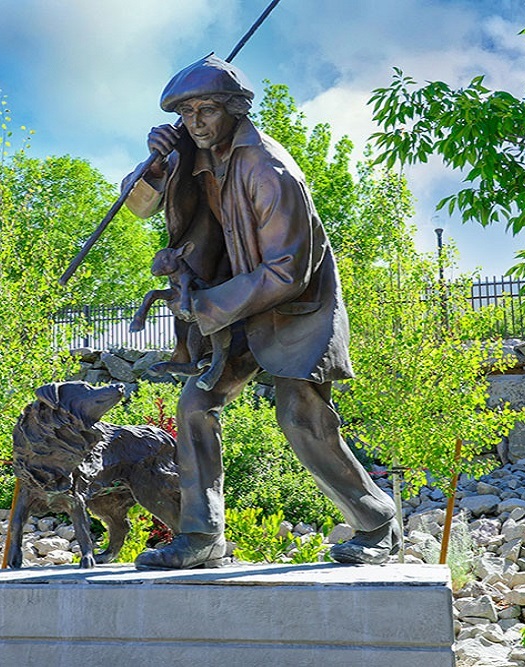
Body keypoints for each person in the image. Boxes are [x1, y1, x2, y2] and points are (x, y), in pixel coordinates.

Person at [125, 54, 400, 569]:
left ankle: (377, 523)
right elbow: (139, 206)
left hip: (295, 311)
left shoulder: (269, 169)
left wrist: (204, 304)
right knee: (195, 405)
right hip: (239, 306)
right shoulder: (196, 154)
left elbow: (287, 269)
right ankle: (202, 535)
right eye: (186, 114)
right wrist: (157, 166)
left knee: (300, 417)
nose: (196, 122)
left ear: (234, 109)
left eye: (206, 109)